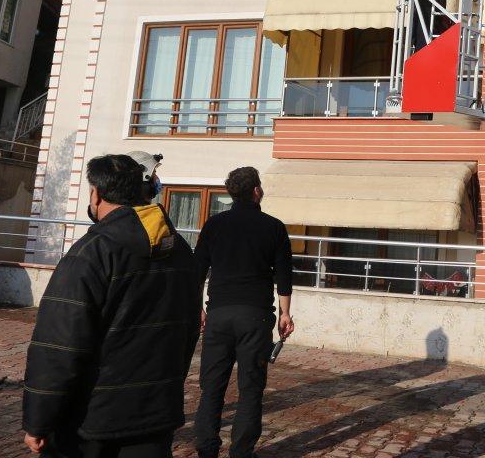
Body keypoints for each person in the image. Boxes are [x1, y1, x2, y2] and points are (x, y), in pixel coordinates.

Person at [22, 154, 201, 458]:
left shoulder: (91, 253)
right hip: (156, 414)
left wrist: (38, 419)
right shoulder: (180, 250)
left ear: (96, 194)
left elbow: (58, 346)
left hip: (91, 424)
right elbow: (188, 330)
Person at [193, 166, 294, 458]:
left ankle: (206, 449)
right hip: (255, 317)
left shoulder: (214, 224)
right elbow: (284, 276)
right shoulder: (274, 227)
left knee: (211, 387)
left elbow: (197, 271)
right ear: (256, 191)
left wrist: (197, 308)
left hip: (218, 314)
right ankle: (241, 452)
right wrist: (285, 314)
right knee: (250, 389)